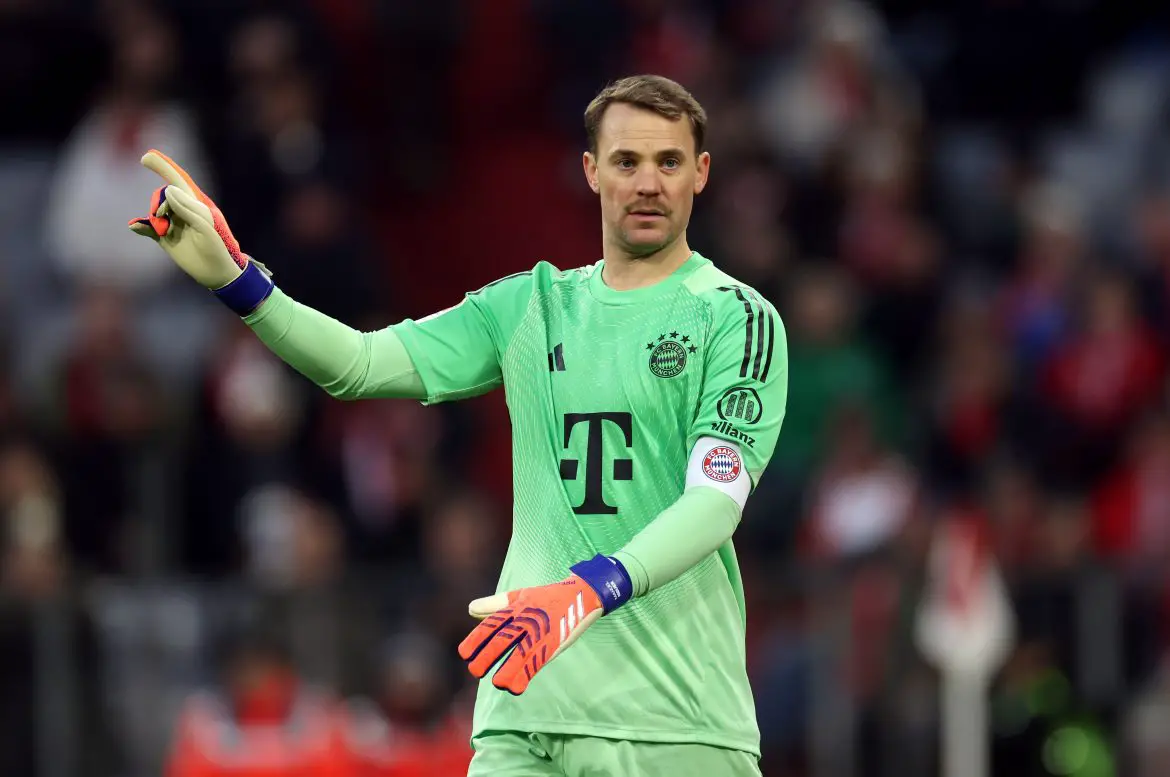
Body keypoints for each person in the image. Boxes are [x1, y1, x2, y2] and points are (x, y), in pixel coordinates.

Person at [129, 74, 788, 777]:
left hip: (674, 720)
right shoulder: (530, 306)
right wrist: (241, 284)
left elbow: (715, 502)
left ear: (701, 173)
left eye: (669, 162)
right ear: (592, 171)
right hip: (525, 706)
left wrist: (591, 588)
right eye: (627, 161)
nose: (648, 182)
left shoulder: (734, 317)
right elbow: (359, 362)